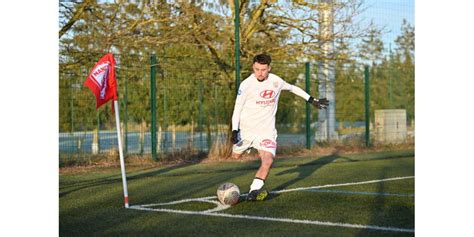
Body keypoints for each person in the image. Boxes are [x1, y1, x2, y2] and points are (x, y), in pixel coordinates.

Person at [231, 53, 329, 201]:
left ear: (269, 68)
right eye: (257, 69)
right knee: (235, 157)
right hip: (246, 131)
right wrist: (234, 130)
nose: (260, 73)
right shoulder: (246, 85)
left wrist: (311, 99)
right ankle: (245, 150)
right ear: (253, 67)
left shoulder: (276, 81)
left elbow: (292, 88)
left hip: (266, 132)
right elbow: (237, 109)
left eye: (263, 69)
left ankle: (253, 191)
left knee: (268, 160)